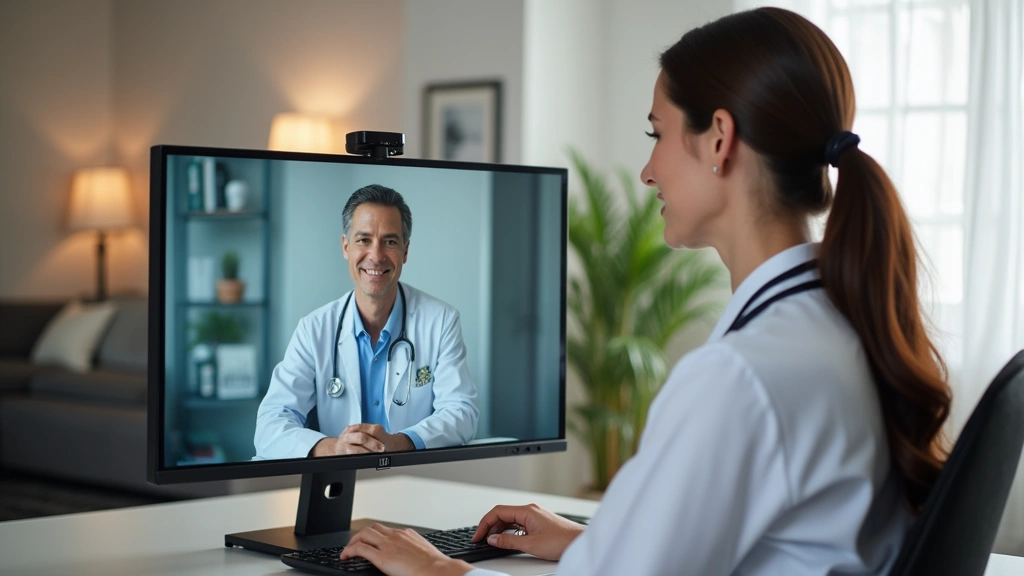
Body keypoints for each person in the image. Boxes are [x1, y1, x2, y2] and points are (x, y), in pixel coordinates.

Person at [333, 7, 953, 576]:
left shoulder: (740, 376)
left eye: (657, 133)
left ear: (719, 138)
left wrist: (438, 568)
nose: (648, 170)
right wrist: (591, 544)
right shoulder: (840, 324)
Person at [254, 184, 479, 460]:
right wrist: (333, 448)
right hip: (337, 481)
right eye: (363, 240)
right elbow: (270, 425)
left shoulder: (441, 322)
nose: (376, 255)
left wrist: (401, 442)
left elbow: (462, 412)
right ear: (345, 246)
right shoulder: (314, 330)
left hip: (413, 477)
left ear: (405, 251)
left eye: (390, 241)